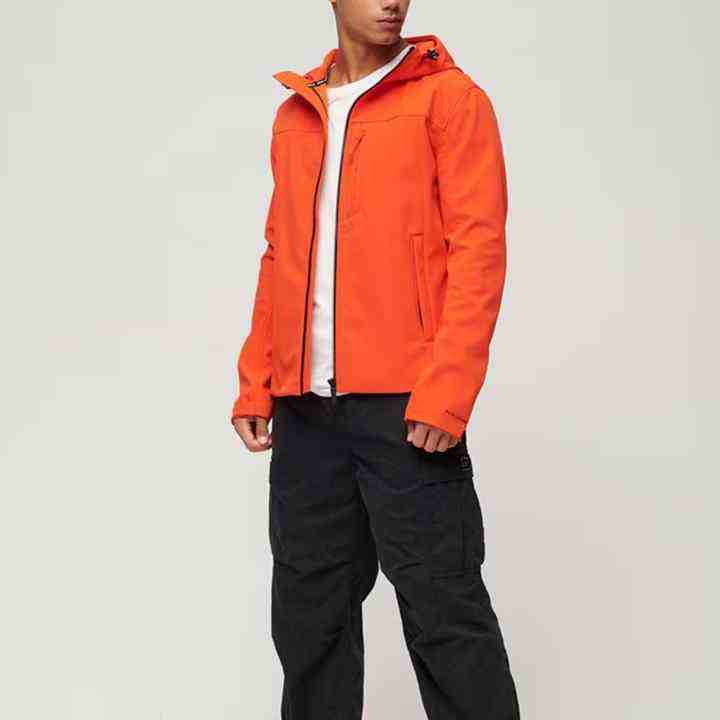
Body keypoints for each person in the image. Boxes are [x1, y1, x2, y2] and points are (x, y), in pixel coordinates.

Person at [230, 1, 520, 718]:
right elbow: (280, 256)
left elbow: (479, 253)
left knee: (445, 616)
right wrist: (257, 379)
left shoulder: (450, 101)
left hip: (407, 409)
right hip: (305, 413)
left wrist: (448, 391)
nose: (392, 1)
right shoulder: (297, 115)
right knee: (309, 626)